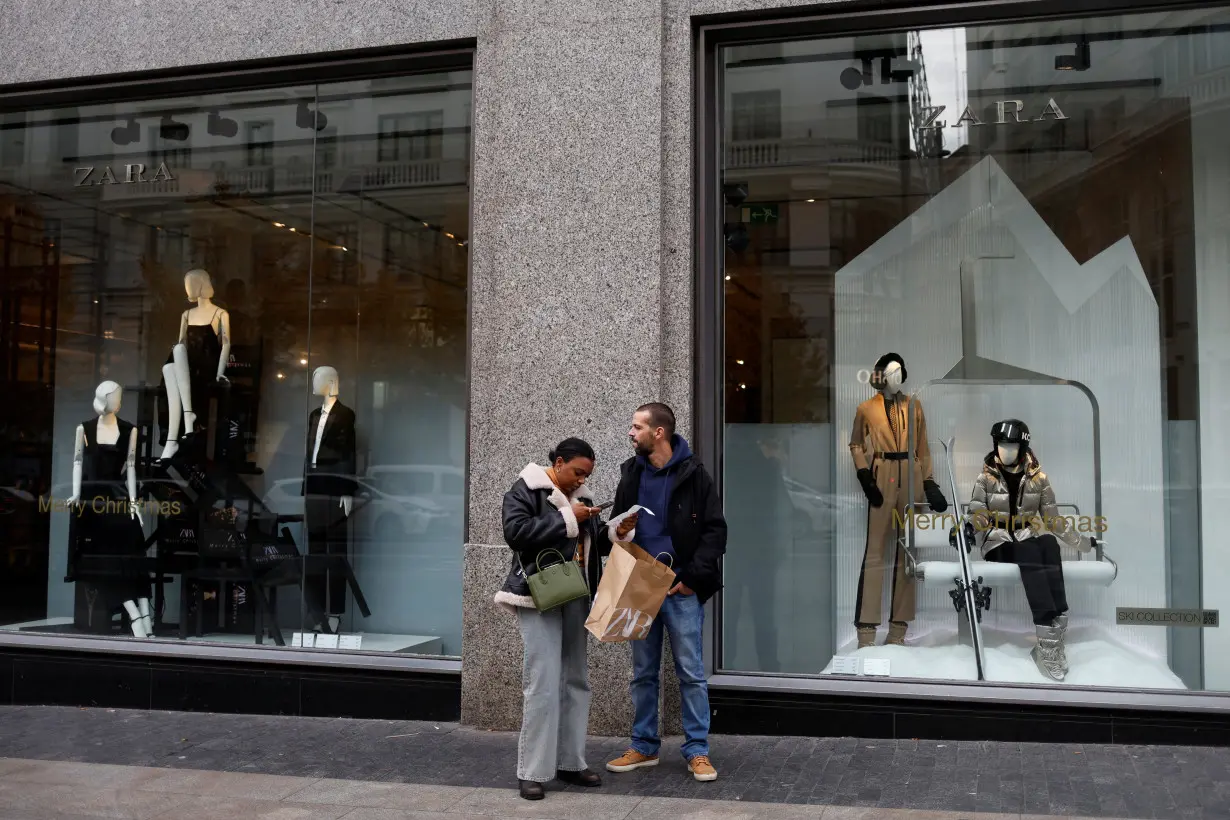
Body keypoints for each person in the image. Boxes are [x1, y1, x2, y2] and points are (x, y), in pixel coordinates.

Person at [494, 438, 633, 801]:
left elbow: (595, 544)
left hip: (577, 593)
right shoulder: (525, 488)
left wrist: (615, 530)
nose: (580, 479)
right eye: (577, 472)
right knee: (541, 681)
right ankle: (533, 771)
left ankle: (572, 762)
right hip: (538, 594)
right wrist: (569, 518)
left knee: (576, 678)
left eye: (586, 474)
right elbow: (516, 533)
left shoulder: (583, 498)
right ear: (558, 463)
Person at [604, 402, 727, 783]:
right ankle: (643, 746)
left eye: (637, 427)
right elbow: (616, 528)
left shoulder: (695, 474)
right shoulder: (631, 473)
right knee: (642, 672)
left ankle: (697, 751)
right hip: (639, 583)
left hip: (680, 587)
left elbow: (715, 532)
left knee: (690, 672)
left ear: (659, 432)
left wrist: (691, 577)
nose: (630, 433)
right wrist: (618, 532)